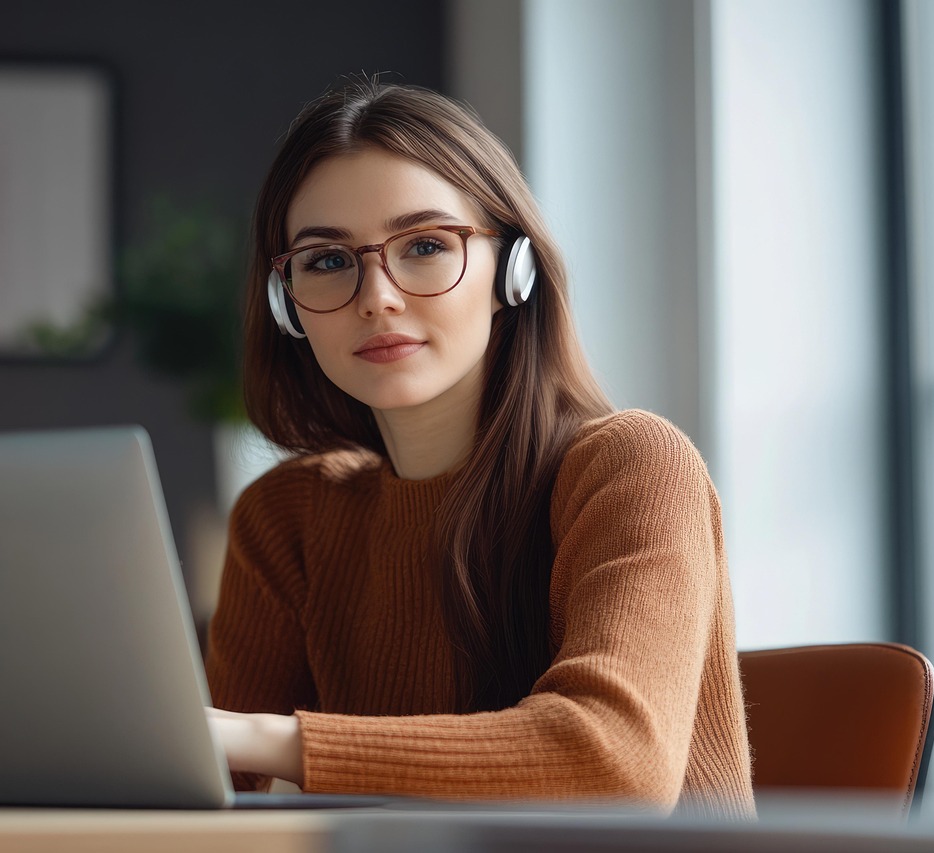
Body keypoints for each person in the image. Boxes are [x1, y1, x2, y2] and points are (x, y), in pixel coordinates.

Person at [203, 79, 755, 820]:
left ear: (514, 270)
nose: (377, 296)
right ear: (287, 303)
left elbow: (611, 759)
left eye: (426, 246)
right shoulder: (286, 518)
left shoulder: (634, 467)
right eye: (327, 260)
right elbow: (208, 792)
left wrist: (263, 739)